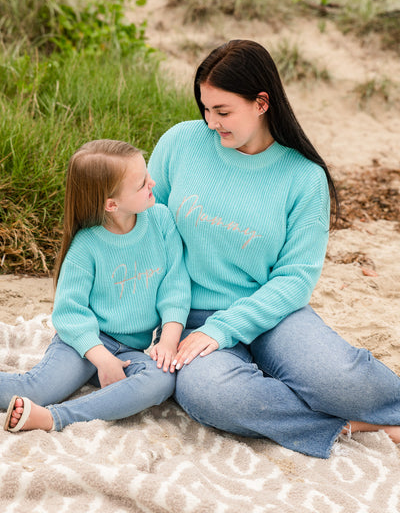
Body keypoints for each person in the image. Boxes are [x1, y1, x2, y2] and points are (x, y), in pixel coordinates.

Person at [147, 39, 400, 458]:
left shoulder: (303, 178)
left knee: (337, 378)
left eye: (223, 111)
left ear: (262, 103)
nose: (211, 122)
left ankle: (371, 407)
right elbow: (147, 230)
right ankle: (352, 426)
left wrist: (225, 328)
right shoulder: (180, 143)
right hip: (186, 316)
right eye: (205, 109)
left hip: (270, 313)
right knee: (210, 394)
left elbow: (295, 279)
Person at [2, 139, 190, 433]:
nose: (152, 183)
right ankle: (49, 405)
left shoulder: (161, 220)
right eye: (142, 183)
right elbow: (69, 313)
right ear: (111, 204)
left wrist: (168, 339)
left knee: (161, 379)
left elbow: (175, 285)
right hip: (84, 344)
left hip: (131, 350)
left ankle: (56, 417)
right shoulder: (86, 247)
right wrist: (102, 359)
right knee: (37, 390)